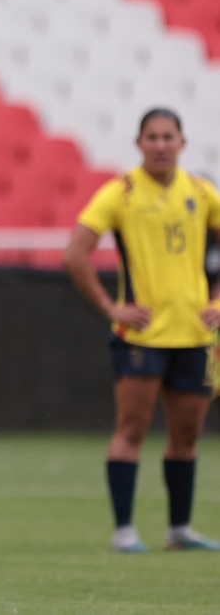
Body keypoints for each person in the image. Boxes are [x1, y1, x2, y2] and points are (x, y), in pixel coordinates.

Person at [64, 108, 220, 553]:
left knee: (187, 435)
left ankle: (179, 531)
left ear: (182, 142)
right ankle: (124, 532)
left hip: (193, 335)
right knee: (131, 430)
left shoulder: (201, 192)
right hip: (142, 335)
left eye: (168, 136)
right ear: (138, 143)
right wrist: (110, 306)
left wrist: (217, 304)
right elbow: (75, 253)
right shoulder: (121, 193)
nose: (160, 145)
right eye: (152, 137)